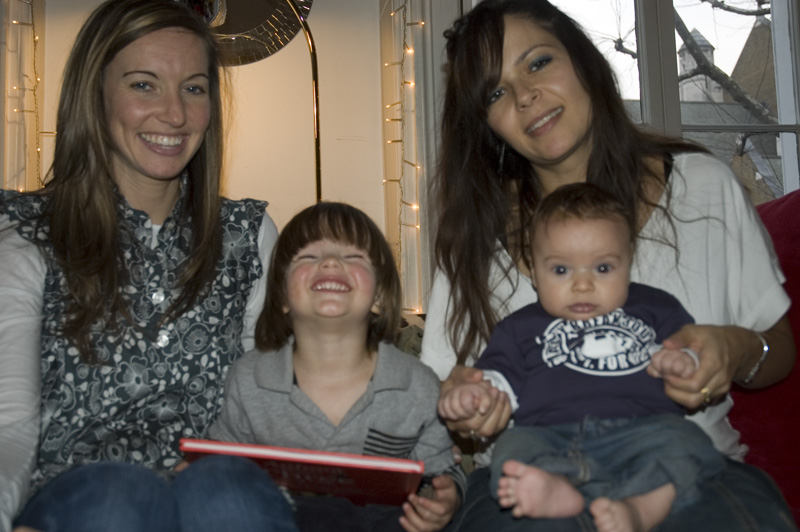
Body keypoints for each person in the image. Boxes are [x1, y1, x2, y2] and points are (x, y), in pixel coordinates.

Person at [420, 0, 797, 530]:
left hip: (683, 477)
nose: (525, 95)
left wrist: (734, 349)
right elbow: (453, 409)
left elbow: (776, 349)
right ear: (487, 125)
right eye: (496, 93)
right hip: (529, 484)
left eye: (538, 63)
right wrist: (468, 411)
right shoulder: (473, 239)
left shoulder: (702, 187)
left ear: (583, 61)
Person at [0, 1, 294, 531]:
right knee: (117, 498)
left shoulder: (248, 235)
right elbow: (10, 425)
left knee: (228, 496)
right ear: (95, 94)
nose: (175, 114)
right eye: (143, 85)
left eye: (194, 88)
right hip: (79, 498)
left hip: (218, 490)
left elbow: (272, 406)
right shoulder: (26, 234)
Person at [439, 183, 726, 531]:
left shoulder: (657, 307)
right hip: (550, 436)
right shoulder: (519, 327)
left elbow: (694, 348)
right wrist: (476, 394)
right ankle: (557, 490)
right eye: (561, 270)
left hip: (644, 430)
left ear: (628, 261)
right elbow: (498, 378)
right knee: (511, 451)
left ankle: (642, 507)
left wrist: (685, 361)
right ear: (534, 269)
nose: (583, 285)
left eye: (602, 268)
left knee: (690, 443)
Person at [208, 202, 466, 532]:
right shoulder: (248, 379)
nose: (330, 262)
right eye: (308, 256)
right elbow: (223, 462)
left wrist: (445, 497)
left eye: (353, 256)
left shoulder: (417, 385)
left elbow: (443, 470)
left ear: (379, 296)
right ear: (283, 296)